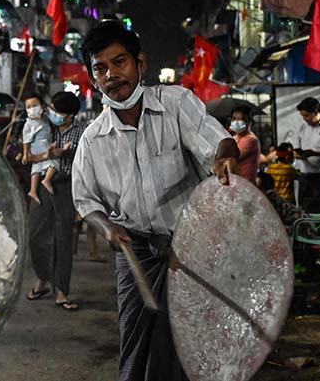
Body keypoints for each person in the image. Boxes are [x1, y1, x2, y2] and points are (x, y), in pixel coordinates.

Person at [72, 21, 240, 381]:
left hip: (190, 246)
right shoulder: (92, 139)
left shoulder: (175, 103)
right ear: (92, 78)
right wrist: (107, 227)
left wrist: (226, 155)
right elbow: (85, 200)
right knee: (136, 341)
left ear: (140, 63)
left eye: (120, 62)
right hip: (136, 253)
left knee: (191, 340)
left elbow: (218, 141)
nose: (112, 75)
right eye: (100, 68)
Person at [25, 91, 84, 311]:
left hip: (65, 186)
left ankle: (61, 290)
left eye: (57, 111)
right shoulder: (43, 127)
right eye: (51, 109)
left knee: (62, 239)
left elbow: (81, 162)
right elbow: (28, 155)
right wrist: (45, 155)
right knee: (36, 234)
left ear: (70, 115)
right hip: (41, 186)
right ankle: (43, 279)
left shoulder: (81, 133)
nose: (52, 113)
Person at [285, 97, 320, 212]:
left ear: (315, 112)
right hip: (307, 176)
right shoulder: (302, 127)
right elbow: (297, 148)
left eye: (306, 116)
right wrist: (298, 154)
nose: (304, 119)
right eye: (302, 116)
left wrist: (315, 153)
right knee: (305, 210)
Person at [21, 93, 56, 204]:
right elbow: (26, 140)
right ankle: (47, 180)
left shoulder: (45, 119)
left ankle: (33, 190)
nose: (32, 109)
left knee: (36, 169)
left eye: (35, 105)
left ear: (42, 106)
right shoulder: (28, 124)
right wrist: (25, 154)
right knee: (53, 163)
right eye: (29, 107)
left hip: (42, 147)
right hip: (40, 146)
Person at [229, 105, 261, 183]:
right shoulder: (235, 138)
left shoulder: (250, 140)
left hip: (245, 184)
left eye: (240, 119)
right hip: (236, 182)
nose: (236, 122)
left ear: (249, 122)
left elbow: (231, 157)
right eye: (234, 119)